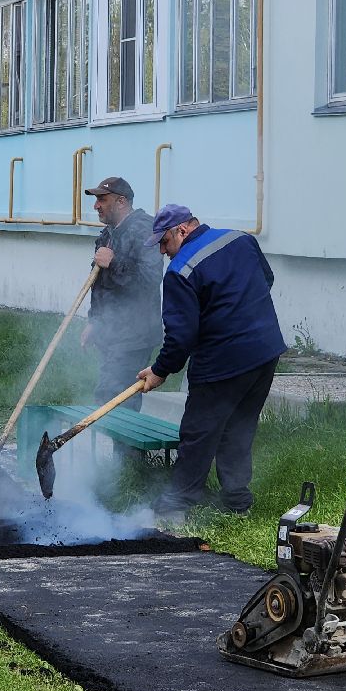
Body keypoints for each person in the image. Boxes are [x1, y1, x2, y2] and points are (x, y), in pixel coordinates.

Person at [136, 204, 286, 525]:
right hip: (265, 352)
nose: (163, 252)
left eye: (164, 242)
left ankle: (175, 506)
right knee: (239, 427)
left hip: (222, 362)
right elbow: (266, 279)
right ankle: (237, 500)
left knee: (198, 433)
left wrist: (160, 370)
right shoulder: (240, 239)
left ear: (182, 230)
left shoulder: (180, 270)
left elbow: (181, 336)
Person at [80, 176, 161, 411]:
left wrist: (114, 262)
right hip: (113, 331)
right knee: (111, 396)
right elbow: (103, 285)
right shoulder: (109, 232)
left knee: (116, 396)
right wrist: (95, 321)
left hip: (134, 334)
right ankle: (120, 448)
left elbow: (150, 280)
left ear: (121, 202)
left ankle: (127, 449)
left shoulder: (144, 229)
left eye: (102, 199)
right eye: (96, 200)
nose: (96, 205)